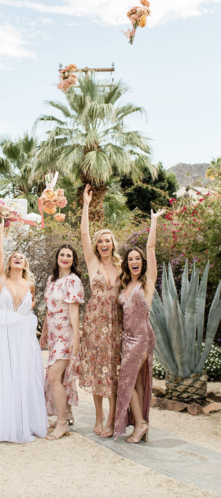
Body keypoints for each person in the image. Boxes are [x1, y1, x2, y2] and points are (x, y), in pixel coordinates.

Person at [0, 222, 47, 443]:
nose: (17, 257)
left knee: (24, 376)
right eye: (14, 256)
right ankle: (4, 425)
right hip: (4, 337)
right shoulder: (1, 280)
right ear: (9, 263)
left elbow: (32, 305)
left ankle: (23, 423)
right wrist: (0, 229)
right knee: (5, 375)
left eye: (21, 256)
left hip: (24, 337)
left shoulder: (30, 285)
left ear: (25, 264)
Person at [114, 209, 165, 443]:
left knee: (126, 379)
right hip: (127, 338)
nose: (134, 261)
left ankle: (140, 424)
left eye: (138, 259)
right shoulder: (124, 284)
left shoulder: (147, 283)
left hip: (142, 338)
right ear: (127, 264)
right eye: (130, 259)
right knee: (136, 381)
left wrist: (153, 222)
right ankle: (141, 422)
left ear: (142, 263)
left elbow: (151, 249)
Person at [79, 184, 123, 438]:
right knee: (98, 370)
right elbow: (84, 234)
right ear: (96, 246)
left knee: (113, 371)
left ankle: (113, 419)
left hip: (116, 324)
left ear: (112, 244)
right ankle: (99, 417)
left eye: (107, 240)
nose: (103, 244)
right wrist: (86, 205)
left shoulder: (121, 268)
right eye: (100, 241)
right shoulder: (93, 262)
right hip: (95, 324)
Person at [40, 243, 84, 441]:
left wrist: (76, 336)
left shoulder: (73, 281)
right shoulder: (52, 280)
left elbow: (74, 311)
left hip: (65, 333)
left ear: (73, 260)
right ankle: (64, 414)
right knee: (59, 376)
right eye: (62, 254)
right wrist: (44, 331)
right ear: (57, 257)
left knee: (53, 376)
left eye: (69, 255)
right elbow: (50, 308)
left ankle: (61, 423)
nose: (65, 258)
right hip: (52, 334)